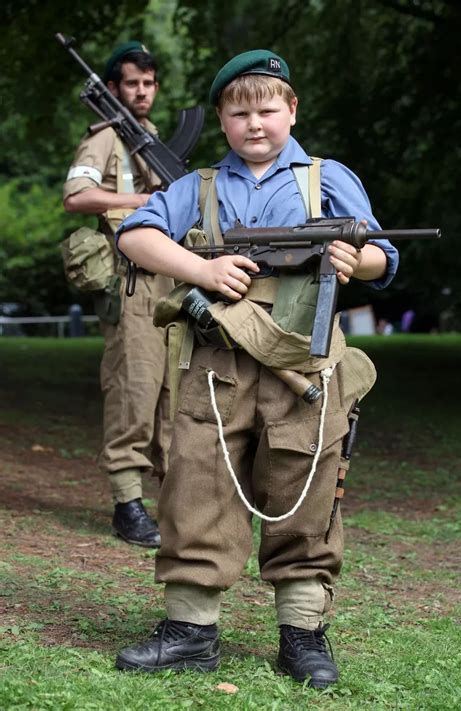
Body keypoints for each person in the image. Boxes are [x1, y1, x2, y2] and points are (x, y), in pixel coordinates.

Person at [113, 50, 399, 688]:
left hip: (304, 363)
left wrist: (358, 262)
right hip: (216, 366)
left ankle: (303, 634)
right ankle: (190, 631)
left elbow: (384, 252)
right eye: (239, 113)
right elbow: (135, 235)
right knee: (196, 487)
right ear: (221, 119)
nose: (256, 125)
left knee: (306, 492)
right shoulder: (200, 187)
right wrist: (204, 270)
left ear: (292, 110)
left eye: (269, 109)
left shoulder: (328, 179)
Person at [63, 42, 173, 548]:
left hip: (170, 278)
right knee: (134, 389)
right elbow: (76, 197)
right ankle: (127, 504)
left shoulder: (149, 138)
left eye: (149, 83)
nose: (142, 92)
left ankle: (177, 500)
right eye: (132, 83)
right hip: (130, 283)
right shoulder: (106, 139)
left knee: (173, 396)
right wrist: (139, 200)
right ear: (113, 88)